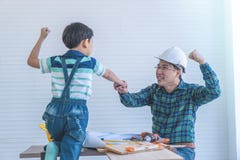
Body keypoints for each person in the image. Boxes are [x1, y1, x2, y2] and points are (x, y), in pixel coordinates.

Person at [27, 22, 125, 160]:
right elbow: (107, 73)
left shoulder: (55, 61)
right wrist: (119, 82)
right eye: (92, 42)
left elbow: (31, 61)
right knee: (73, 144)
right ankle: (57, 146)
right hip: (76, 112)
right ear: (86, 42)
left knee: (60, 138)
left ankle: (54, 145)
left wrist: (42, 38)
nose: (92, 46)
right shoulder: (90, 62)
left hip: (53, 112)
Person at [114, 46, 221, 160]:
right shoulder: (153, 91)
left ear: (178, 72)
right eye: (158, 67)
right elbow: (131, 101)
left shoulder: (191, 92)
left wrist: (202, 62)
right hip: (158, 148)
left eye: (164, 67)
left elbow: (214, 92)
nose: (158, 72)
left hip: (183, 151)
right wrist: (123, 92)